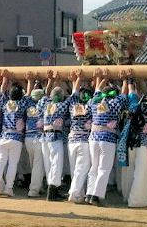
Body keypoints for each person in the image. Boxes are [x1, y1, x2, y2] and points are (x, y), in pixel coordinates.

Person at [85, 69, 128, 206]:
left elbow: (97, 90)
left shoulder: (94, 102)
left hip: (93, 137)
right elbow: (124, 94)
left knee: (94, 167)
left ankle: (89, 194)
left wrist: (102, 78)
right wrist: (125, 80)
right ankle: (96, 196)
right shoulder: (116, 103)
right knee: (104, 168)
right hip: (108, 139)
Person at [41, 70, 81, 201]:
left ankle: (52, 190)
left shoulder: (46, 104)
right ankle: (52, 193)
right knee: (56, 165)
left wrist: (52, 81)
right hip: (55, 137)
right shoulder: (62, 106)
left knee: (49, 165)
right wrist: (75, 80)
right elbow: (74, 96)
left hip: (44, 137)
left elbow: (46, 94)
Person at [0, 71, 29, 197]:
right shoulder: (22, 104)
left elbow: (2, 93)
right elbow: (28, 95)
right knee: (13, 164)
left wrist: (7, 80)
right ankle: (8, 188)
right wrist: (28, 81)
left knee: (1, 162)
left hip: (3, 137)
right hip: (16, 139)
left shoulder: (5, 104)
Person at [67, 83, 94, 204]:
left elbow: (74, 93)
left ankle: (79, 194)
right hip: (83, 141)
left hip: (71, 140)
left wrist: (76, 80)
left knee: (75, 170)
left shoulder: (73, 105)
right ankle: (74, 193)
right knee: (82, 169)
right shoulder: (90, 106)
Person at [23, 73, 45, 198]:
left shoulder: (27, 103)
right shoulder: (43, 104)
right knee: (38, 165)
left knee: (33, 164)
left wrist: (31, 82)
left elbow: (27, 94)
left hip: (28, 138)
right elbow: (45, 95)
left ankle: (38, 185)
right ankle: (34, 190)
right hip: (38, 138)